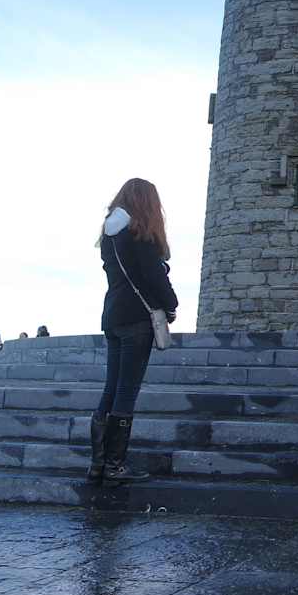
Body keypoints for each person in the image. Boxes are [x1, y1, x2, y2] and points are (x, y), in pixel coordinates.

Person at [90, 178, 179, 485]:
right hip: (138, 319)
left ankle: (98, 465)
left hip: (112, 315)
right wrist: (171, 305)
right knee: (127, 391)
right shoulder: (141, 233)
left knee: (111, 388)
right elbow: (153, 276)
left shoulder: (110, 233)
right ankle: (115, 466)